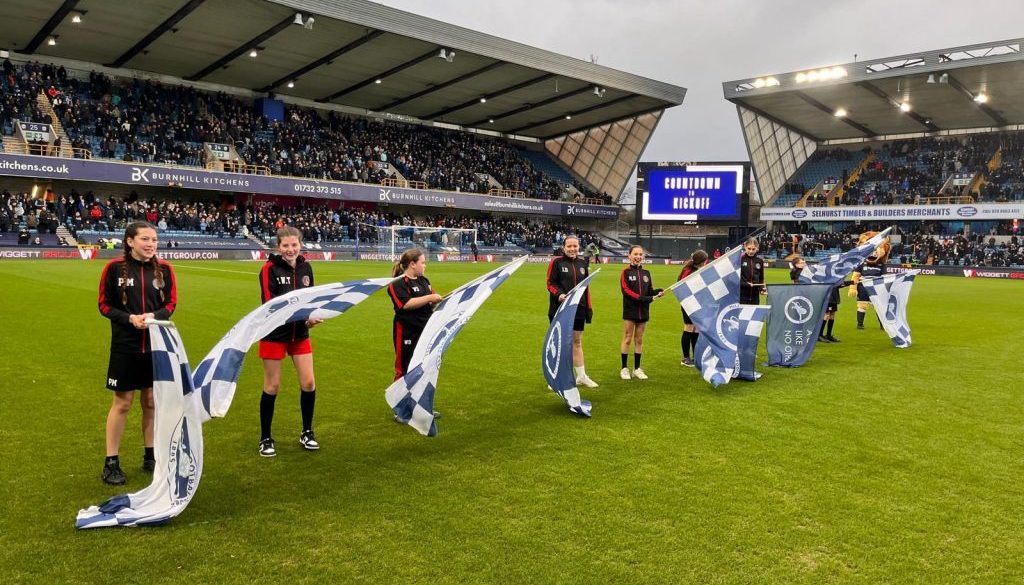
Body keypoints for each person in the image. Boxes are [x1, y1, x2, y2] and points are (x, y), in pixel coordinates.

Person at [97, 221, 178, 485]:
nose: (151, 244)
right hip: (126, 346)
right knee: (123, 403)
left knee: (151, 402)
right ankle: (111, 462)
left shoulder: (164, 270)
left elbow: (171, 303)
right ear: (130, 241)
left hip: (156, 346)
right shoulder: (113, 269)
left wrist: (153, 316)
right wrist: (129, 318)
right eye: (145, 239)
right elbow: (104, 305)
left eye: (154, 240)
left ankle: (150, 456)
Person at [256, 226, 323, 458]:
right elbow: (270, 304)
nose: (290, 249)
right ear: (278, 246)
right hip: (274, 334)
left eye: (294, 245)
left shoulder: (306, 267)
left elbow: (309, 299)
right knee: (272, 386)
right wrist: (302, 317)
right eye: (286, 245)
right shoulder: (268, 269)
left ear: (300, 245)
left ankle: (307, 432)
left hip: (300, 334)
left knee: (309, 383)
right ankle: (265, 437)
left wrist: (309, 317)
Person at [546, 235, 597, 387]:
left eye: (575, 246)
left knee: (577, 341)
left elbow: (586, 289)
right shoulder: (556, 263)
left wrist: (588, 308)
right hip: (560, 309)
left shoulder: (582, 264)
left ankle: (581, 376)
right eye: (569, 246)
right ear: (563, 247)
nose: (573, 249)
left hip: (579, 309)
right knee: (560, 344)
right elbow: (550, 284)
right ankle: (555, 378)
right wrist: (559, 294)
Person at [388, 248, 443, 381]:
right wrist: (430, 298)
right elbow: (405, 304)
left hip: (424, 330)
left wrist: (434, 301)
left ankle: (414, 399)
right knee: (404, 368)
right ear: (413, 264)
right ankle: (400, 400)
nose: (425, 265)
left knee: (421, 366)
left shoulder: (424, 281)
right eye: (422, 262)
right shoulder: (397, 283)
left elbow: (430, 302)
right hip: (407, 331)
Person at [619, 245, 663, 380]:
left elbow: (649, 291)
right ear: (629, 256)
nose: (638, 257)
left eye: (640, 254)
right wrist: (642, 298)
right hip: (630, 310)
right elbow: (626, 291)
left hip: (643, 310)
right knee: (627, 338)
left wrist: (656, 292)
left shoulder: (646, 273)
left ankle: (637, 369)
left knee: (639, 339)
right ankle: (624, 368)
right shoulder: (625, 272)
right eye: (635, 254)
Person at [678, 249, 708, 366]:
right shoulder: (689, 271)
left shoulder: (696, 270)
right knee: (689, 328)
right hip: (688, 304)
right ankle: (685, 358)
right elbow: (681, 286)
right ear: (701, 261)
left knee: (696, 329)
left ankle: (696, 356)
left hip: (697, 304)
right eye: (705, 260)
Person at [739, 238, 766, 305]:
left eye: (753, 249)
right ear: (745, 247)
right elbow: (735, 278)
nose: (751, 251)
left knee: (754, 314)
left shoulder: (760, 261)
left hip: (755, 296)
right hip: (742, 295)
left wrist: (761, 289)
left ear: (757, 248)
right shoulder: (740, 260)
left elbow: (761, 278)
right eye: (749, 248)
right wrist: (746, 284)